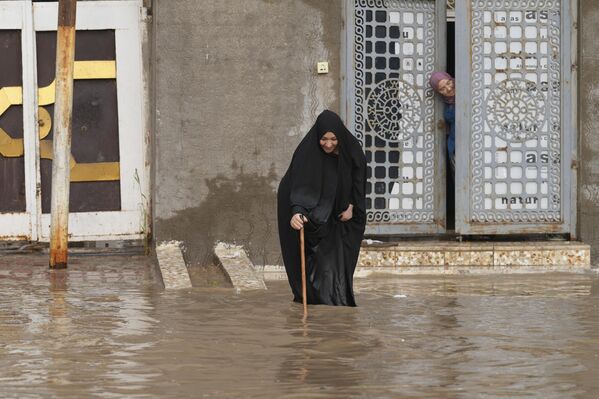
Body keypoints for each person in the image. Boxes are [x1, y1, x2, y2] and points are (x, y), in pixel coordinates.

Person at [277, 110, 367, 307]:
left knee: (336, 263)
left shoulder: (351, 151)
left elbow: (358, 182)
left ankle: (334, 304)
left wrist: (352, 206)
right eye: (323, 139)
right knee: (312, 264)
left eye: (333, 139)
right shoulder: (306, 153)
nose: (328, 144)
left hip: (340, 215)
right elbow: (299, 186)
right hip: (311, 214)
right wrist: (297, 211)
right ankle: (314, 303)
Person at [429, 71, 456, 177]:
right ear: (439, 92)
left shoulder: (470, 94)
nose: (448, 89)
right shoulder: (447, 104)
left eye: (448, 83)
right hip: (455, 148)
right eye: (442, 89)